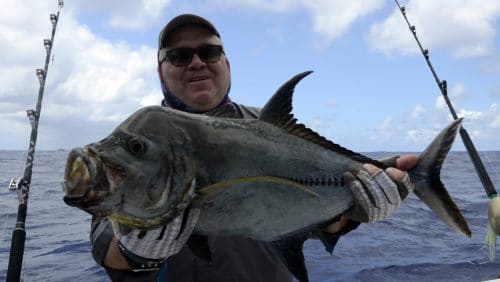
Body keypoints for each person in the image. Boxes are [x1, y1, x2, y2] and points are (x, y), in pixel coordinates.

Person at [90, 14, 418, 282]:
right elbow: (106, 245)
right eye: (179, 56)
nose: (196, 63)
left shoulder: (272, 129)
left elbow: (318, 217)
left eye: (209, 52)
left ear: (226, 64)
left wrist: (351, 211)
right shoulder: (137, 142)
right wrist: (135, 252)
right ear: (161, 72)